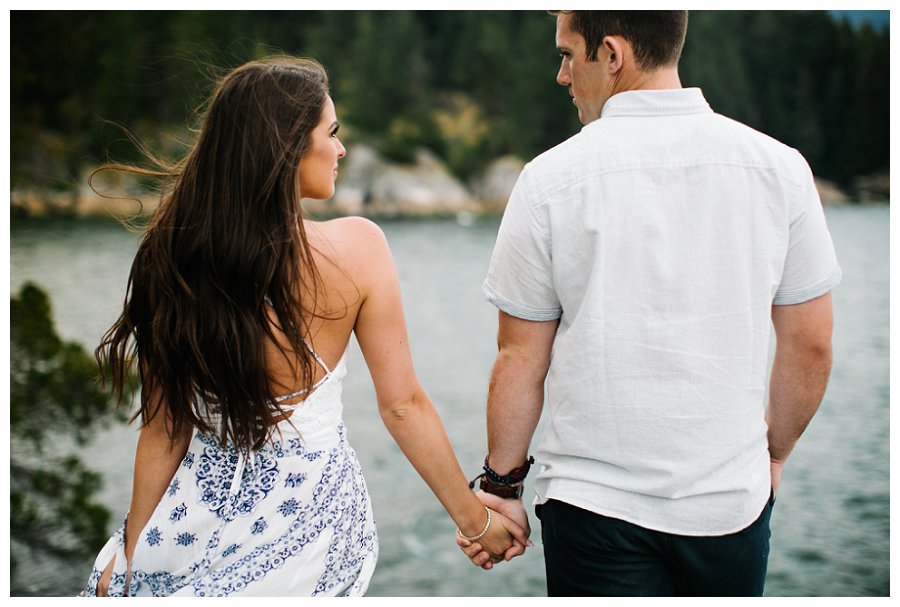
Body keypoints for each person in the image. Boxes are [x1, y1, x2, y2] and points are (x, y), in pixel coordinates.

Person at [80, 55, 527, 597]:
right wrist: (477, 522)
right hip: (311, 527)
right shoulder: (358, 250)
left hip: (195, 520)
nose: (340, 149)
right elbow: (403, 406)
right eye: (332, 133)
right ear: (288, 147)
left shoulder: (171, 258)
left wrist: (134, 555)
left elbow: (164, 429)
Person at [458, 11, 841, 597]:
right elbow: (810, 346)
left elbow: (519, 359)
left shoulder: (549, 180)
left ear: (612, 54)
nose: (562, 75)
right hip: (729, 509)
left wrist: (500, 488)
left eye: (567, 54)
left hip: (593, 508)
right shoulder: (782, 170)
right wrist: (773, 460)